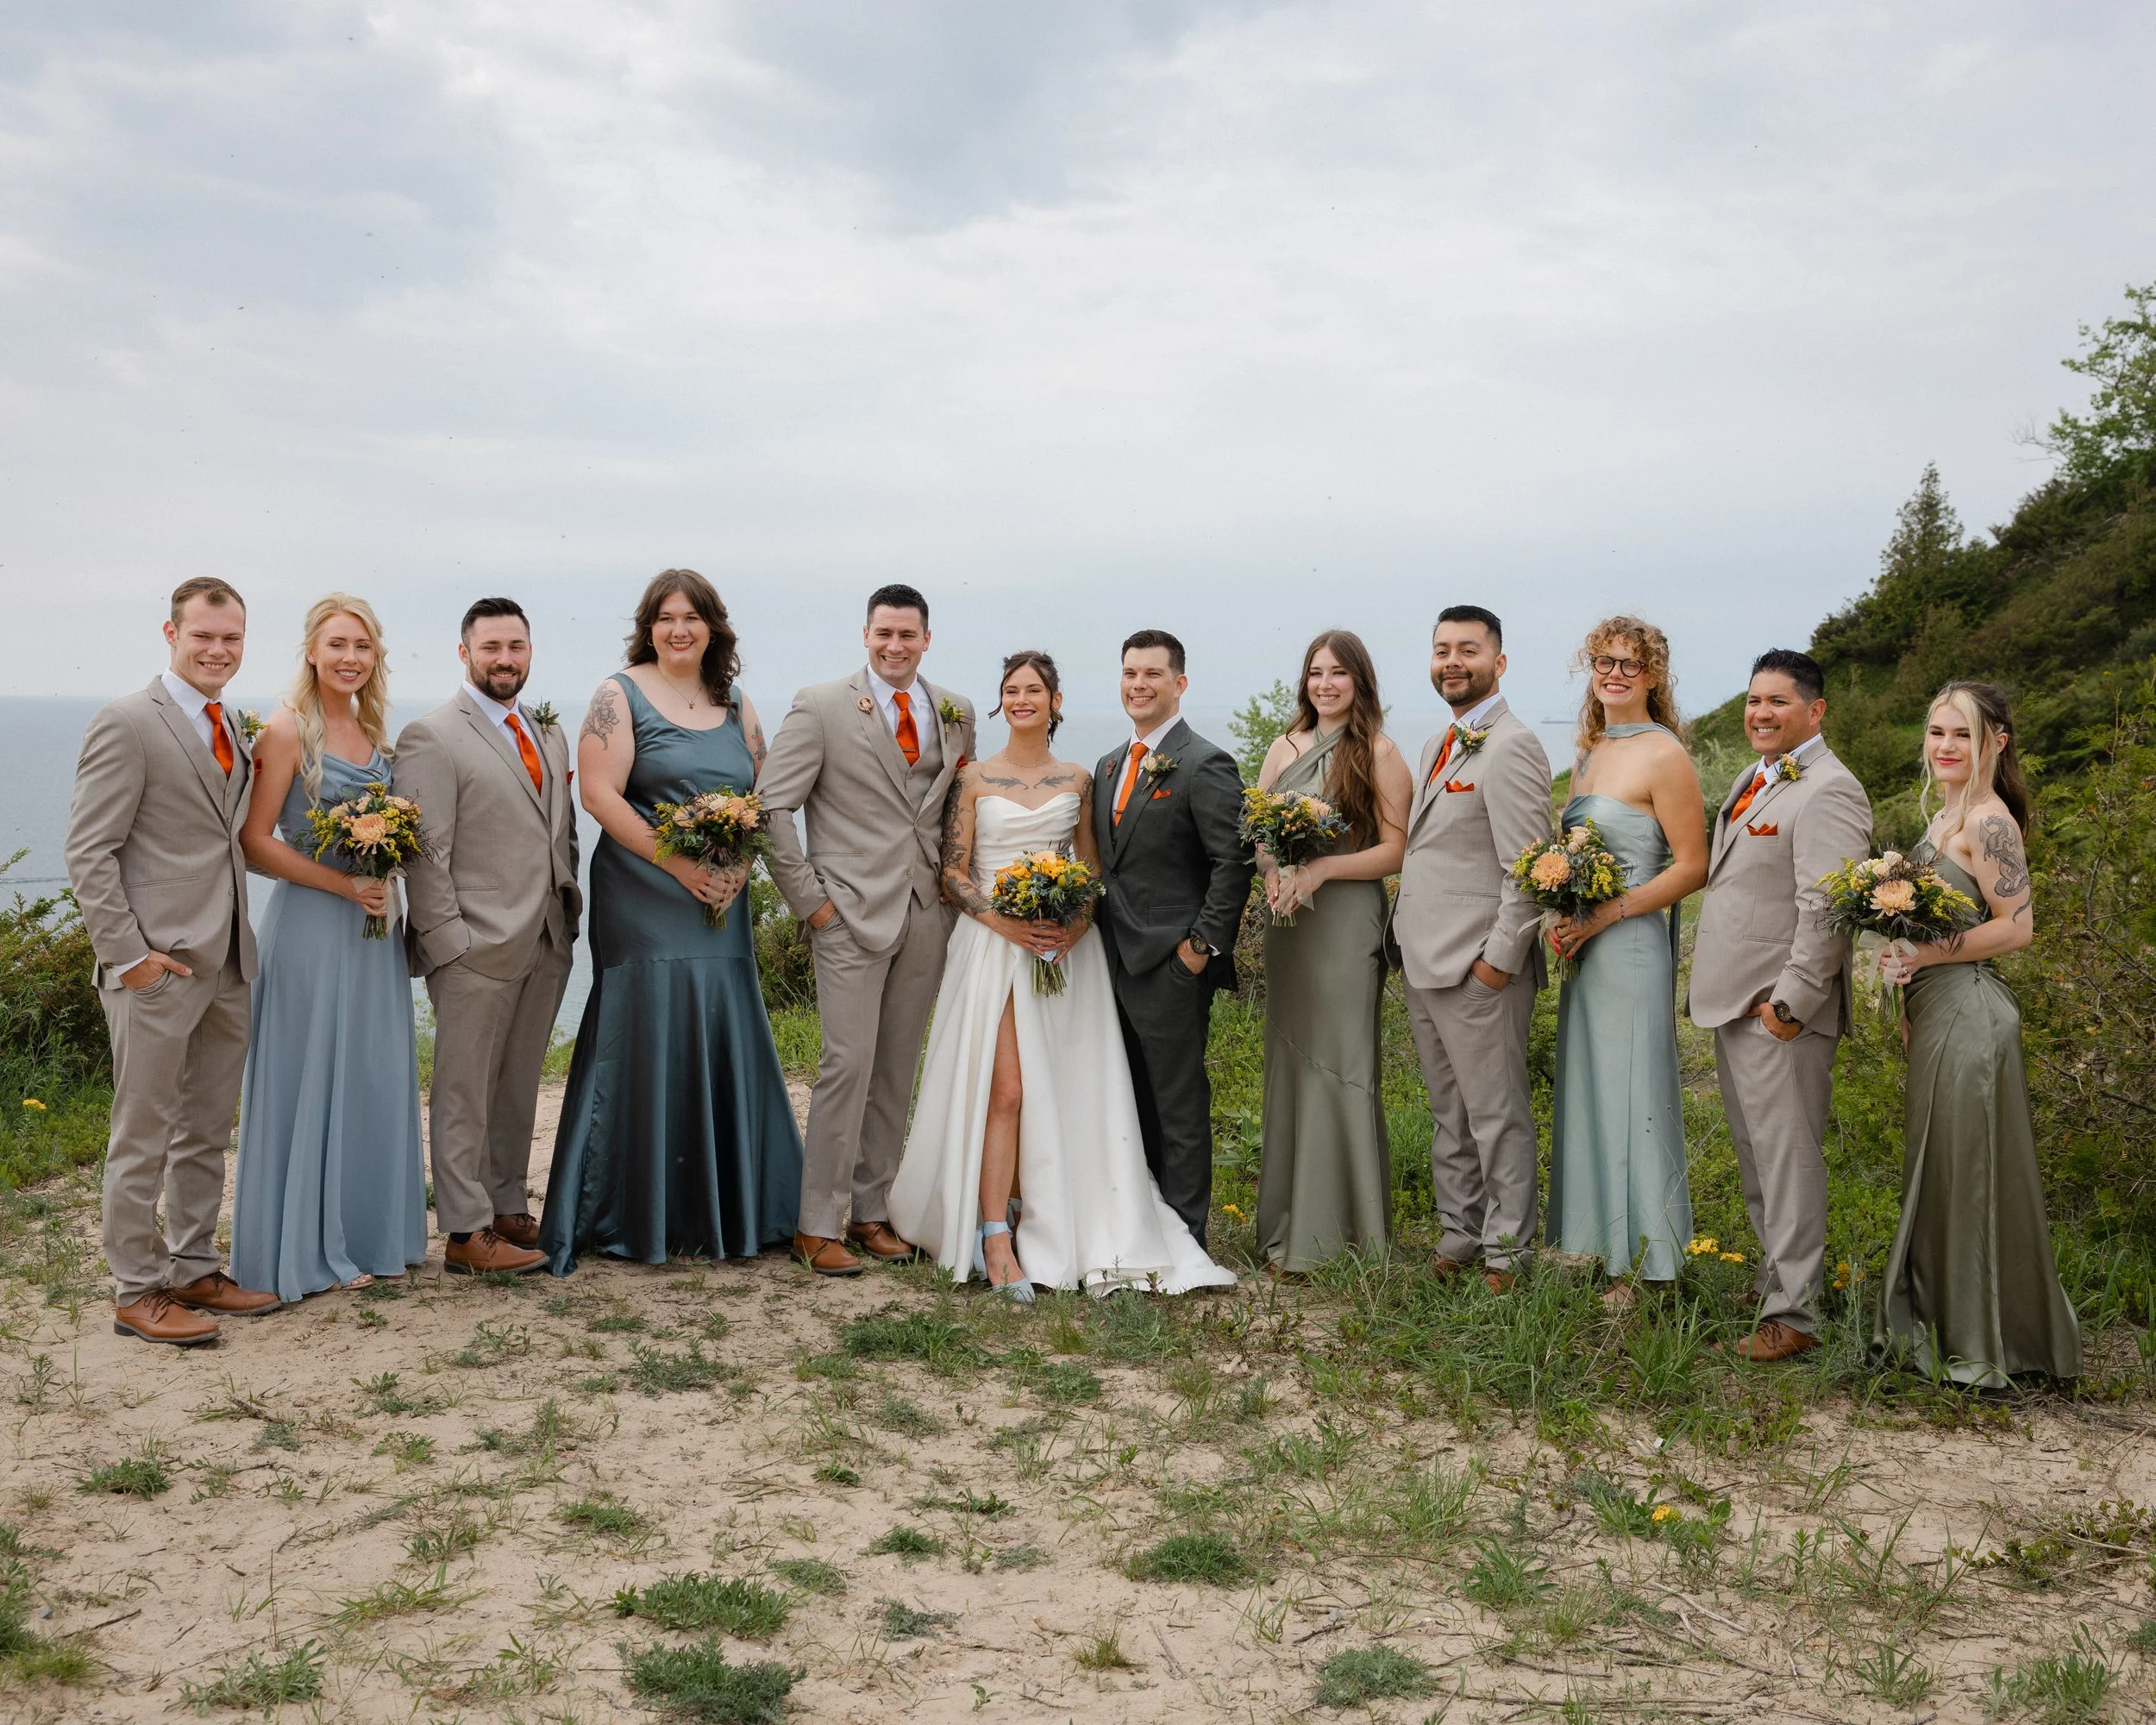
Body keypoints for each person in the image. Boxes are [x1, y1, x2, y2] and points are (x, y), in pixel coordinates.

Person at [889, 651, 1235, 1295]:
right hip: (992, 948)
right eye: (1012, 690)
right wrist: (1006, 922)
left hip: (1065, 956)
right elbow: (953, 873)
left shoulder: (1083, 777)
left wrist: (1071, 929)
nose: (1022, 699)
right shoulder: (974, 778)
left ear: (1055, 702)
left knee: (1059, 1093)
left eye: (1035, 690)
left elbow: (1095, 871)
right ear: (1001, 703)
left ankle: (1037, 1216)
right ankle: (993, 1234)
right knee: (1009, 1092)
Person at [539, 570, 804, 1273]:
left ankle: (729, 1211)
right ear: (648, 626)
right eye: (665, 617)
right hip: (644, 893)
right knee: (647, 1023)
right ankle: (625, 1211)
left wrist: (739, 866)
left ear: (714, 625)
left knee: (720, 1017)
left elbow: (764, 791)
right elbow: (599, 794)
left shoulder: (735, 702)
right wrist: (678, 865)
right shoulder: (616, 694)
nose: (678, 629)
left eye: (692, 617)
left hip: (722, 895)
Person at [66, 578, 279, 1345]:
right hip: (156, 969)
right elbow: (90, 851)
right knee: (142, 1131)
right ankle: (135, 1288)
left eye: (232, 639)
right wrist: (131, 959)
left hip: (226, 964)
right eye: (204, 637)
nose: (218, 651)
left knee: (205, 1128)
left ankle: (194, 1266)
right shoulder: (127, 722)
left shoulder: (234, 726)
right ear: (171, 633)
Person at [759, 585, 976, 1276]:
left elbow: (955, 810)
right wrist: (812, 905)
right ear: (865, 634)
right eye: (884, 633)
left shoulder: (956, 711)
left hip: (925, 913)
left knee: (895, 1068)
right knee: (845, 1066)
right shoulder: (821, 706)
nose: (895, 646)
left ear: (927, 639)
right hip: (847, 914)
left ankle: (872, 1211)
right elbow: (772, 809)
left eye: (908, 635)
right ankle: (815, 1224)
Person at [1875, 683, 2079, 1383]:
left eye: (1962, 734)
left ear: (1997, 741)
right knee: (1939, 1173)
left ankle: (1988, 1346)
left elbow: (2016, 927)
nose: (1945, 747)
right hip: (1936, 1015)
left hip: (1972, 1017)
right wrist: (1903, 970)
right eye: (1936, 732)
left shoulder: (1991, 822)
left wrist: (1926, 955)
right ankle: (1942, 1329)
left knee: (1969, 1179)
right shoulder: (1942, 818)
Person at [230, 595, 428, 1301]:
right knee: (310, 1073)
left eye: (363, 647)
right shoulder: (286, 732)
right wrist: (344, 887)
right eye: (338, 644)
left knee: (370, 1072)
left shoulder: (376, 730)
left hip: (374, 933)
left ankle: (371, 1234)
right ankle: (302, 1249)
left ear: (376, 658)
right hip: (314, 927)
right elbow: (254, 843)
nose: (351, 658)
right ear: (311, 651)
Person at [1689, 649, 1873, 1362]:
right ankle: (1776, 1280)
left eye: (1779, 703)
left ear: (1816, 711)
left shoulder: (1830, 788)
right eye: (1754, 700)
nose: (1761, 713)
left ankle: (1795, 1315)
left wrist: (1790, 1003)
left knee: (1789, 1160)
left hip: (1780, 1010)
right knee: (1757, 1158)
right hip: (1737, 1004)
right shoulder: (1754, 776)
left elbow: (1826, 908)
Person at [393, 598, 581, 1276]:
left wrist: (568, 915)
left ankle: (505, 1204)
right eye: (492, 648)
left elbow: (559, 830)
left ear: (530, 651)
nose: (505, 660)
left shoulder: (548, 732)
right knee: (463, 1089)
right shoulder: (432, 735)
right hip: (474, 945)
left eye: (517, 648)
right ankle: (466, 1231)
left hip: (544, 938)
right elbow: (424, 851)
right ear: (464, 652)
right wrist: (449, 941)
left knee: (518, 1082)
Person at [1545, 618, 1708, 1304]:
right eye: (1603, 663)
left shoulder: (1664, 754)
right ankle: (1596, 1242)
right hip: (1587, 946)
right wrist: (1561, 904)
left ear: (1653, 676)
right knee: (1592, 1089)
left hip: (1632, 945)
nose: (1614, 674)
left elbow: (1693, 867)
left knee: (1636, 1092)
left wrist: (1607, 914)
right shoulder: (1588, 753)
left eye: (1629, 665)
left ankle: (1646, 1265)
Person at [1392, 605, 1551, 1293]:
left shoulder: (1513, 744)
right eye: (1441, 650)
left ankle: (1508, 1251)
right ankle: (1461, 1231)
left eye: (1467, 650)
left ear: (1499, 662)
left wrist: (1498, 962)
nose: (1452, 661)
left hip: (1479, 968)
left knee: (1496, 1114)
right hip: (1423, 959)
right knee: (1447, 1112)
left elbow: (1531, 866)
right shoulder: (1436, 744)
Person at [1250, 630, 1411, 1274]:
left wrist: (1321, 873)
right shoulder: (1283, 746)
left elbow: (1397, 850)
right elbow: (1261, 832)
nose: (1325, 684)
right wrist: (1272, 874)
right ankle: (1290, 1225)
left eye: (1338, 673)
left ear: (1360, 682)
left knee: (1340, 1064)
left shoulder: (1380, 752)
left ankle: (1345, 1234)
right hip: (1291, 923)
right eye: (1316, 672)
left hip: (1345, 920)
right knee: (1291, 1063)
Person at [1091, 630, 1254, 1248]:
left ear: (1179, 684)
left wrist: (1198, 951)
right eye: (1130, 672)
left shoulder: (1204, 762)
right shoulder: (1109, 765)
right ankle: (1142, 1220)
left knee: (1179, 1105)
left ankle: (1186, 1236)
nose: (1139, 684)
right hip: (1110, 962)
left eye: (1153, 674)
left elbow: (1231, 865)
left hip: (1171, 966)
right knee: (1130, 1102)